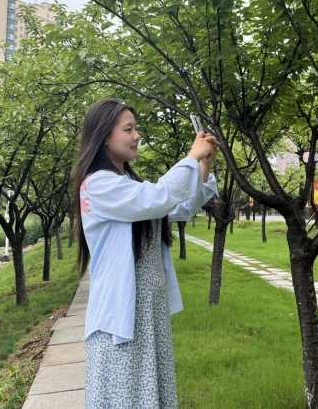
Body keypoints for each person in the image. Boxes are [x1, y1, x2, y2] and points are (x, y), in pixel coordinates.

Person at [72, 98, 220, 409]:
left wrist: (204, 163)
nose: (137, 135)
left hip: (146, 307)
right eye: (128, 129)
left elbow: (177, 208)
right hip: (124, 309)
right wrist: (191, 158)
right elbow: (156, 198)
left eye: (136, 128)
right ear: (103, 136)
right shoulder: (97, 185)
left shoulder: (126, 182)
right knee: (127, 394)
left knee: (149, 389)